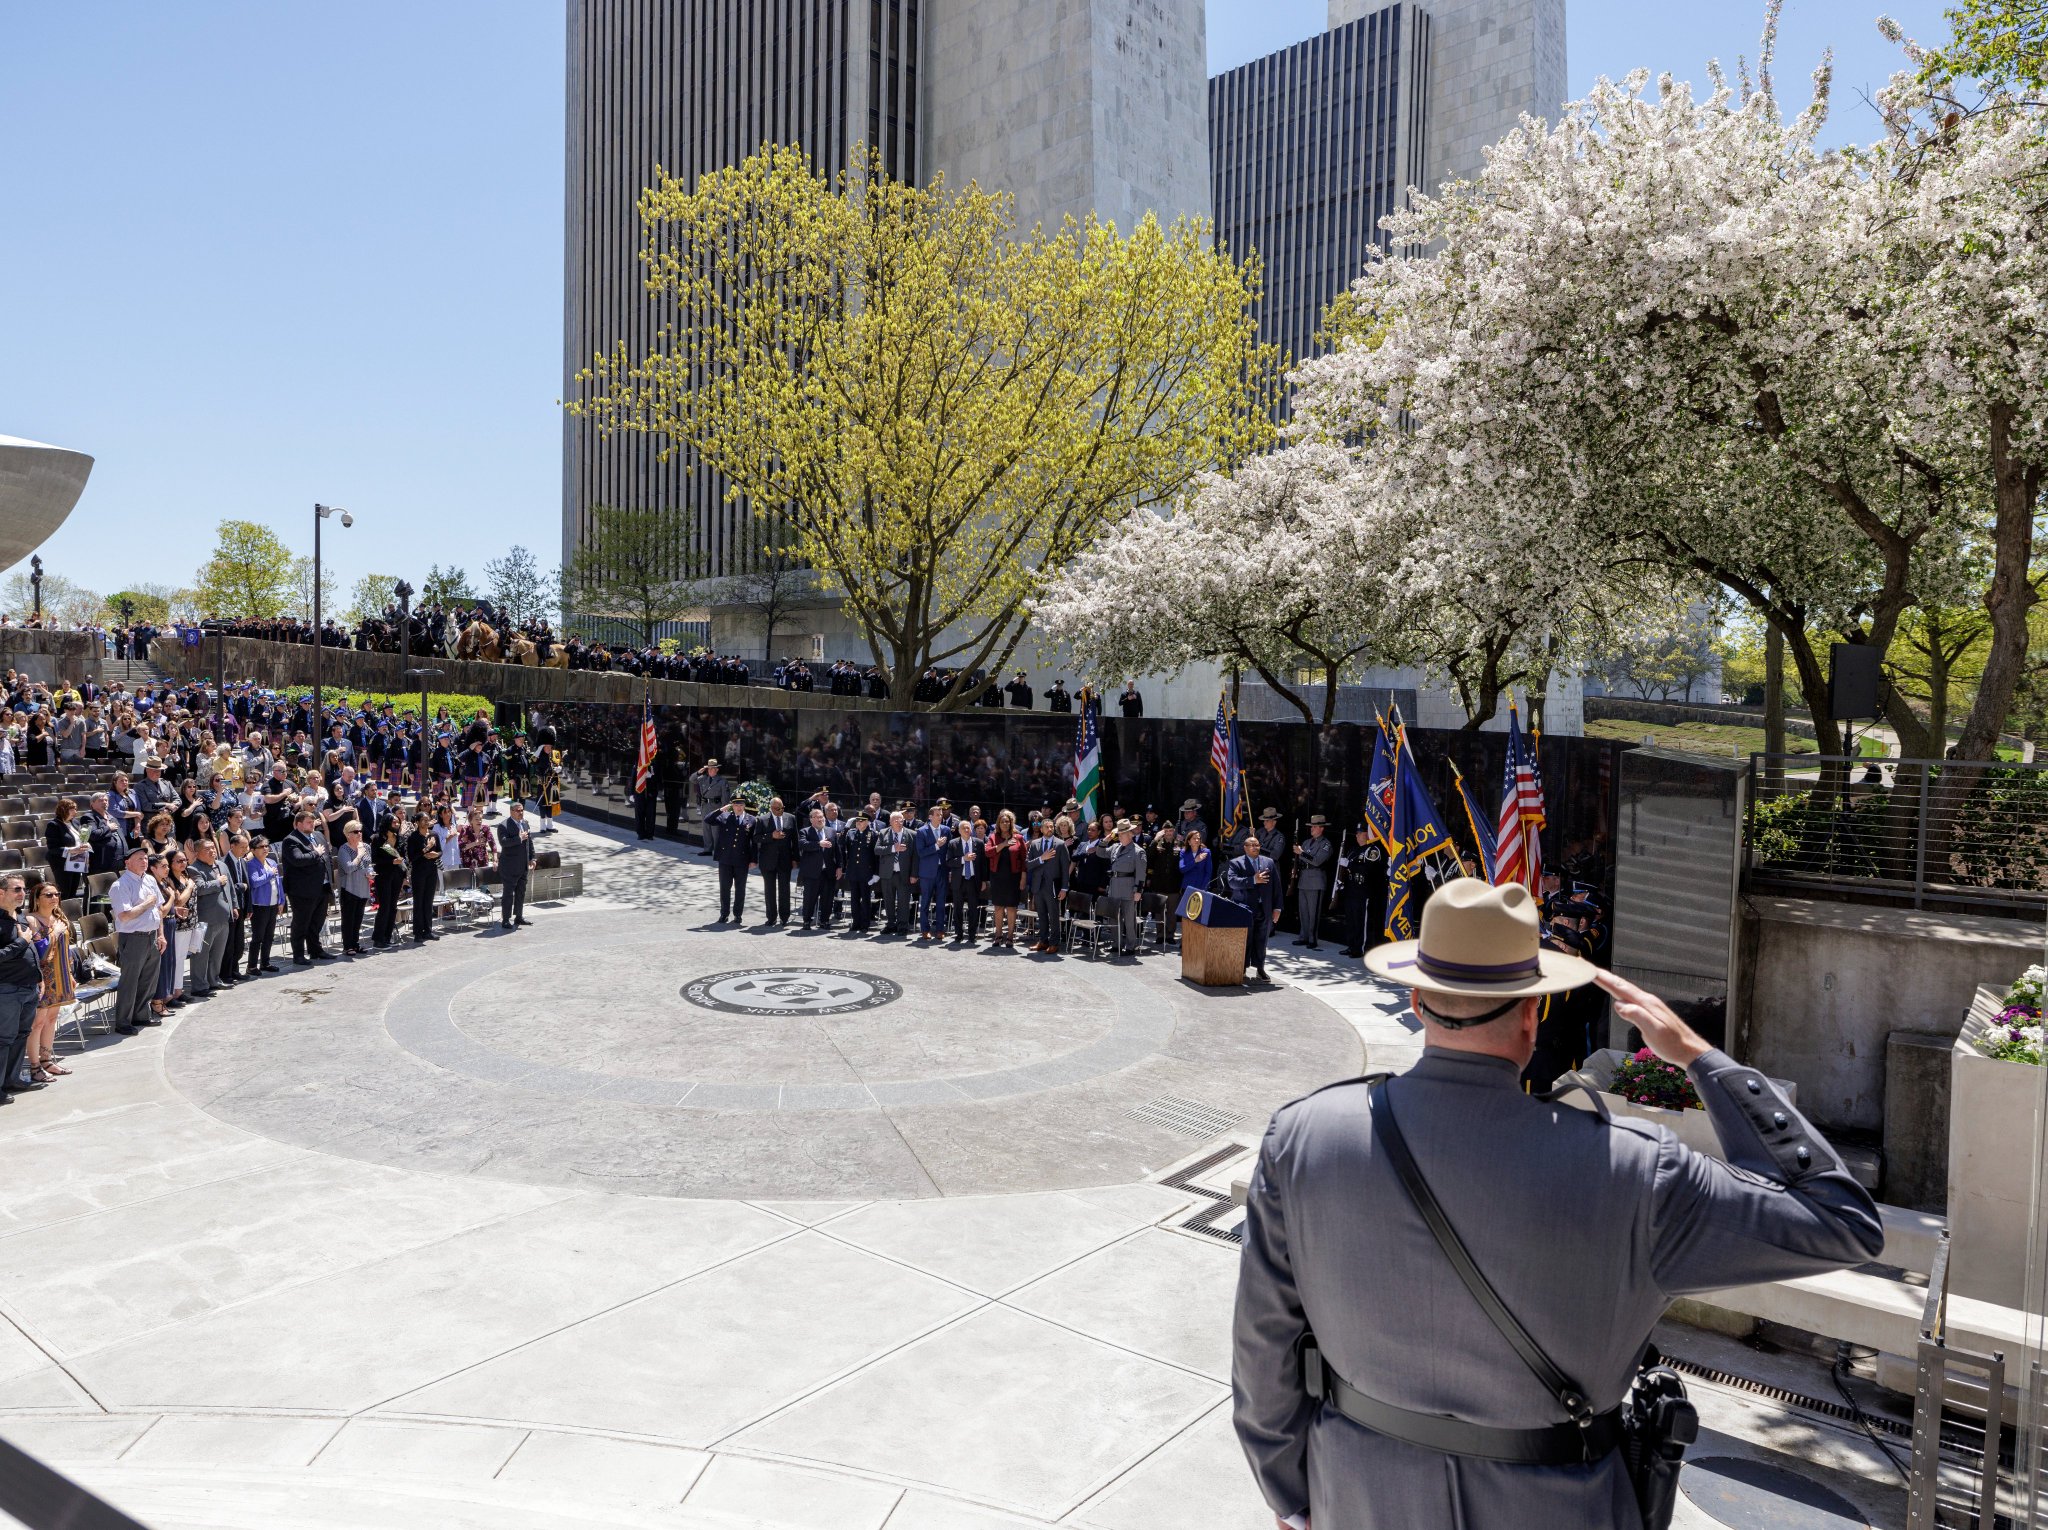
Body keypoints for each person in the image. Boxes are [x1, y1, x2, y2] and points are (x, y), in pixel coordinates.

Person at [1232, 878, 1884, 1530]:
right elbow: (1841, 1222)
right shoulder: (1636, 1170)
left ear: (1417, 1001)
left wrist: (1293, 1494)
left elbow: (1263, 1350)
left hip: (1358, 1497)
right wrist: (1699, 1056)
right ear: (1532, 1013)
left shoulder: (1302, 1137)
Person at [23, 881, 74, 1083]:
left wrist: (69, 973)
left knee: (52, 1019)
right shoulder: (31, 920)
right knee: (38, 1023)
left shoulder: (58, 917)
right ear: (37, 898)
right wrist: (56, 932)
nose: (54, 898)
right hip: (43, 977)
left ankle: (47, 1059)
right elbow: (39, 951)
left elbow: (66, 949)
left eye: (56, 894)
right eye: (48, 895)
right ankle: (34, 1065)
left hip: (61, 974)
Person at [0, 877, 43, 1100]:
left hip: (29, 988)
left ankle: (12, 1079)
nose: (22, 893)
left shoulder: (21, 918)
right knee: (4, 1039)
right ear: (1, 893)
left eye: (24, 890)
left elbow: (32, 951)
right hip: (7, 990)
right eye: (16, 889)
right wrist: (22, 942)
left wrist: (39, 977)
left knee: (21, 1035)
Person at [279, 810, 332, 964]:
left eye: (313, 821)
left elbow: (327, 858)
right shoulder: (291, 840)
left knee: (317, 921)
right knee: (301, 923)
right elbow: (298, 860)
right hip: (302, 889)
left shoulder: (318, 836)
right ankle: (298, 955)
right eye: (309, 822)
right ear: (298, 824)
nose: (312, 824)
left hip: (321, 886)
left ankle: (316, 950)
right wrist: (315, 853)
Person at [1225, 833, 1279, 982]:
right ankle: (1241, 968)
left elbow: (1277, 887)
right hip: (1245, 908)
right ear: (1245, 848)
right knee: (1244, 940)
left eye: (1257, 845)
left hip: (1264, 908)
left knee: (1262, 940)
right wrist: (1252, 880)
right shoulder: (1236, 863)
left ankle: (1260, 968)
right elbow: (1233, 882)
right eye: (1252, 845)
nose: (1255, 847)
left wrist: (1278, 908)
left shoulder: (1269, 862)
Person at [186, 836, 236, 996]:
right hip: (205, 920)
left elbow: (231, 888)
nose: (212, 851)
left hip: (224, 918)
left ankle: (214, 980)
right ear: (197, 853)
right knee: (201, 954)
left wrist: (234, 905)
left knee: (218, 952)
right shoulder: (194, 869)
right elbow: (199, 888)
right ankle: (199, 986)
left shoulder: (221, 865)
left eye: (213, 848)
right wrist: (217, 882)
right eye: (207, 849)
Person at [1335, 824, 1388, 958]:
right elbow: (1346, 870)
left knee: (1361, 921)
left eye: (1360, 833)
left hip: (1364, 891)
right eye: (1357, 833)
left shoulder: (1372, 850)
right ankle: (1351, 945)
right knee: (1351, 920)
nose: (1357, 835)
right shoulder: (1354, 850)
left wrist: (1350, 865)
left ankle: (1360, 948)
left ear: (1368, 834)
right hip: (1351, 890)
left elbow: (1369, 869)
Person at [1291, 815, 1335, 951]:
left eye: (1315, 826)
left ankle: (1312, 939)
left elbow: (1317, 861)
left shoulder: (1325, 844)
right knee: (1303, 911)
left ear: (1322, 828)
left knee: (1313, 912)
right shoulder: (1306, 842)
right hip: (1304, 879)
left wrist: (1301, 853)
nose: (1312, 829)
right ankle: (1303, 936)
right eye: (1311, 826)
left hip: (1316, 880)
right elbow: (1300, 860)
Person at [983, 809, 1026, 947]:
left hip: (1014, 877)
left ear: (1011, 823)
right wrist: (1003, 844)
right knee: (998, 907)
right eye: (1002, 821)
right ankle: (998, 935)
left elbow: (1024, 859)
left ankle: (1010, 936)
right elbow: (988, 852)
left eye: (1007, 821)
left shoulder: (1019, 838)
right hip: (997, 877)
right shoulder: (993, 837)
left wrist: (1023, 878)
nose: (1005, 823)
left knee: (1012, 907)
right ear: (998, 823)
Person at [709, 800, 755, 924]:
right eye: (736, 805)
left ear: (744, 806)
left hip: (742, 859)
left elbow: (753, 842)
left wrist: (753, 860)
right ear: (732, 806)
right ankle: (724, 914)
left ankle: (738, 914)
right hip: (725, 859)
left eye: (741, 805)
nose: (738, 808)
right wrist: (721, 809)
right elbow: (708, 820)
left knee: (740, 889)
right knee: (725, 888)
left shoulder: (751, 819)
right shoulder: (725, 816)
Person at [1026, 818, 1067, 953]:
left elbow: (1065, 868)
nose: (1050, 829)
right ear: (1041, 829)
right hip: (1038, 886)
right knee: (1041, 914)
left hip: (1053, 886)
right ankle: (1043, 941)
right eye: (1047, 827)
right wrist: (1041, 859)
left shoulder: (1060, 844)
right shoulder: (1035, 844)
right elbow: (1027, 865)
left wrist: (1064, 888)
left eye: (1051, 827)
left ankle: (1054, 943)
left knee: (1053, 915)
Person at [754, 797, 797, 927]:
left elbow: (795, 840)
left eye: (782, 808)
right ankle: (771, 917)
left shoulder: (790, 818)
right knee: (770, 889)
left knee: (785, 889)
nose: (780, 811)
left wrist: (795, 859)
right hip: (768, 861)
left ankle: (784, 917)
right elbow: (756, 838)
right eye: (778, 809)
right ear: (771, 808)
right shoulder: (762, 820)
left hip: (785, 860)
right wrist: (771, 836)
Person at [243, 836, 283, 974]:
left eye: (267, 846)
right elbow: (255, 882)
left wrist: (281, 900)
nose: (265, 849)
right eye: (261, 847)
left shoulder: (272, 861)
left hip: (273, 903)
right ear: (253, 850)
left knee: (269, 935)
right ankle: (252, 966)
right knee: (258, 936)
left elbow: (278, 883)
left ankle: (265, 962)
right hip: (260, 905)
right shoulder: (251, 864)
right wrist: (269, 873)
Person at [1106, 820, 1146, 955]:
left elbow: (1141, 874)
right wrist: (1107, 839)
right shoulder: (1115, 847)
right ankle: (1116, 944)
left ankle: (1130, 946)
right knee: (1113, 918)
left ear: (1130, 834)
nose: (1119, 836)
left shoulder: (1138, 851)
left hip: (1128, 888)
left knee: (1129, 919)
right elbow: (1100, 852)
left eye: (1122, 834)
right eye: (1119, 834)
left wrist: (1138, 891)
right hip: (1114, 886)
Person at [796, 807, 839, 929]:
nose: (820, 819)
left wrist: (839, 867)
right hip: (811, 872)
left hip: (828, 872)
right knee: (809, 898)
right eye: (817, 817)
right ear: (811, 820)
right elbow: (803, 844)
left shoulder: (831, 831)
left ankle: (824, 921)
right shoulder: (805, 831)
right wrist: (818, 844)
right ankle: (807, 921)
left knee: (827, 898)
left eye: (821, 817)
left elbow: (837, 851)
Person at [912, 805, 950, 940]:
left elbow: (948, 852)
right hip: (927, 873)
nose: (940, 817)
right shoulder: (921, 832)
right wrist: (936, 846)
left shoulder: (946, 830)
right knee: (925, 902)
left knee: (941, 903)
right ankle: (925, 929)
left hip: (942, 871)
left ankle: (940, 929)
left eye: (941, 815)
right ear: (930, 816)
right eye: (937, 815)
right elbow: (921, 853)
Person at [334, 821, 372, 956]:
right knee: (348, 918)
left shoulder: (366, 846)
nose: (359, 834)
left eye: (360, 831)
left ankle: (355, 945)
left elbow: (368, 864)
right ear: (348, 834)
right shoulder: (344, 849)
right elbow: (349, 868)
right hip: (349, 887)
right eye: (356, 832)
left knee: (358, 918)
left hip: (362, 885)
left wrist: (370, 873)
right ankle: (347, 946)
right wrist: (359, 854)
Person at [403, 807, 441, 944]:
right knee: (418, 902)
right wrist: (426, 849)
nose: (426, 822)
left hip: (431, 871)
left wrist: (436, 854)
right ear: (418, 822)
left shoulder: (434, 834)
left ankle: (428, 930)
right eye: (423, 820)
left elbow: (440, 851)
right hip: (418, 873)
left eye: (427, 820)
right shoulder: (413, 837)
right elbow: (412, 857)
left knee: (428, 901)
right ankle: (418, 932)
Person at [875, 810, 915, 936]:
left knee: (903, 901)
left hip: (904, 874)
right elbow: (877, 850)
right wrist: (893, 848)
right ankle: (891, 924)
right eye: (896, 820)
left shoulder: (912, 834)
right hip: (888, 874)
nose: (899, 822)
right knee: (888, 900)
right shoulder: (883, 833)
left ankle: (902, 926)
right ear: (890, 822)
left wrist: (914, 874)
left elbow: (915, 856)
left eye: (901, 820)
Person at [945, 815, 985, 942]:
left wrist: (984, 880)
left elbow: (983, 864)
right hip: (959, 880)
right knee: (958, 909)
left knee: (973, 909)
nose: (967, 830)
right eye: (964, 828)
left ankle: (972, 935)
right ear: (959, 830)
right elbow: (949, 862)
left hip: (973, 880)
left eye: (968, 828)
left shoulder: (978, 843)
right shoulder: (953, 843)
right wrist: (963, 859)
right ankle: (959, 934)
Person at [496, 800, 534, 929]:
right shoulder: (503, 826)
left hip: (523, 865)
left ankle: (519, 917)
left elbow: (530, 842)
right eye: (518, 811)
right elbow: (504, 843)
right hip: (509, 867)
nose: (521, 813)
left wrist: (532, 858)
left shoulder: (525, 823)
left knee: (521, 892)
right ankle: (506, 919)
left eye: (522, 810)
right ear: (511, 812)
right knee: (508, 894)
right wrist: (519, 838)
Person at [370, 820, 407, 949]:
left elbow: (403, 856)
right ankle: (378, 939)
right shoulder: (378, 839)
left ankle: (387, 936)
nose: (397, 825)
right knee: (384, 907)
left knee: (392, 907)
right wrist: (391, 862)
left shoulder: (400, 838)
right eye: (394, 823)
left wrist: (403, 873)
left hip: (397, 876)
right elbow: (375, 859)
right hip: (383, 876)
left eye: (398, 823)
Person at [44, 797, 88, 903]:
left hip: (77, 859)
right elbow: (53, 848)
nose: (75, 812)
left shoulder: (76, 822)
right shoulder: (53, 825)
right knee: (64, 891)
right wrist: (71, 850)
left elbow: (82, 839)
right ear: (63, 810)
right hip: (62, 862)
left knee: (73, 889)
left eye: (75, 809)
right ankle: (60, 914)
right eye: (72, 809)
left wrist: (85, 844)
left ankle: (70, 914)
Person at [842, 809, 878, 933]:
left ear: (867, 822)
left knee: (865, 899)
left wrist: (876, 873)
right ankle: (855, 922)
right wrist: (846, 827)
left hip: (866, 872)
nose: (859, 823)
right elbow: (842, 845)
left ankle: (864, 924)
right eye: (857, 821)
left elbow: (876, 856)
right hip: (853, 871)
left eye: (862, 821)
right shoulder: (851, 833)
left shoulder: (873, 834)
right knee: (854, 899)